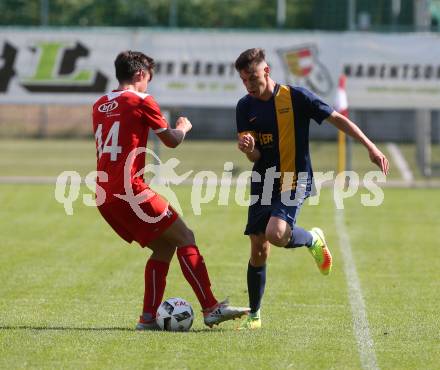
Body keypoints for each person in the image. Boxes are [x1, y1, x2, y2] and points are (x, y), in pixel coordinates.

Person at [92, 50, 248, 330]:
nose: (147, 85)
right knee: (185, 236)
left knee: (164, 247)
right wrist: (182, 127)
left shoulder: (99, 104)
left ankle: (148, 319)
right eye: (148, 79)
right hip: (131, 190)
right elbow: (172, 141)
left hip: (104, 195)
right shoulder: (141, 100)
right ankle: (211, 308)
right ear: (140, 75)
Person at [234, 48, 389, 330]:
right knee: (258, 247)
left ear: (266, 71)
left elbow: (337, 119)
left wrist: (370, 146)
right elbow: (255, 157)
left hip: (296, 177)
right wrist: (249, 149)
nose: (249, 86)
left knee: (276, 233)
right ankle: (254, 315)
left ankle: (311, 240)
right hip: (263, 179)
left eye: (253, 78)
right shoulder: (245, 107)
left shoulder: (296, 97)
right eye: (244, 80)